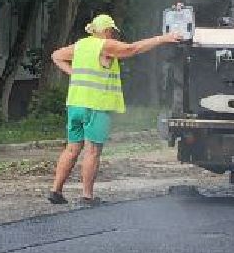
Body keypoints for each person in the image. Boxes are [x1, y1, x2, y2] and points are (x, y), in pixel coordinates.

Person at [47, 14, 188, 205]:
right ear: (106, 31)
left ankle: (56, 191)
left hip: (75, 104)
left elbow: (56, 56)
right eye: (112, 32)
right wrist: (163, 38)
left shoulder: (80, 46)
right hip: (96, 106)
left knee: (72, 148)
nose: (114, 35)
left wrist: (74, 73)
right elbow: (132, 48)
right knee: (93, 151)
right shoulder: (104, 45)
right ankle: (87, 196)